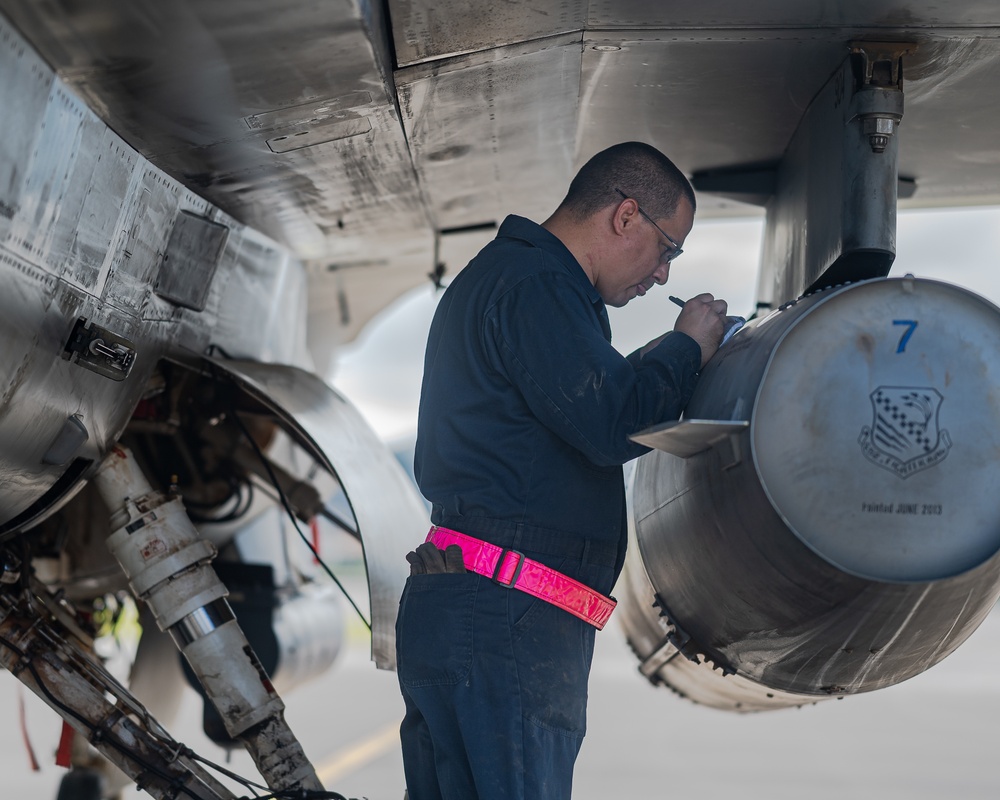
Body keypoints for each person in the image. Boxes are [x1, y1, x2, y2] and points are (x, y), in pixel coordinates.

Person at [396, 141, 728, 800]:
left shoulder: (518, 283)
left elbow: (585, 403)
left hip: (481, 611)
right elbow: (610, 421)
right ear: (626, 215)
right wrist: (687, 346)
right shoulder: (536, 285)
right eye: (668, 249)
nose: (663, 275)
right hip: (505, 623)